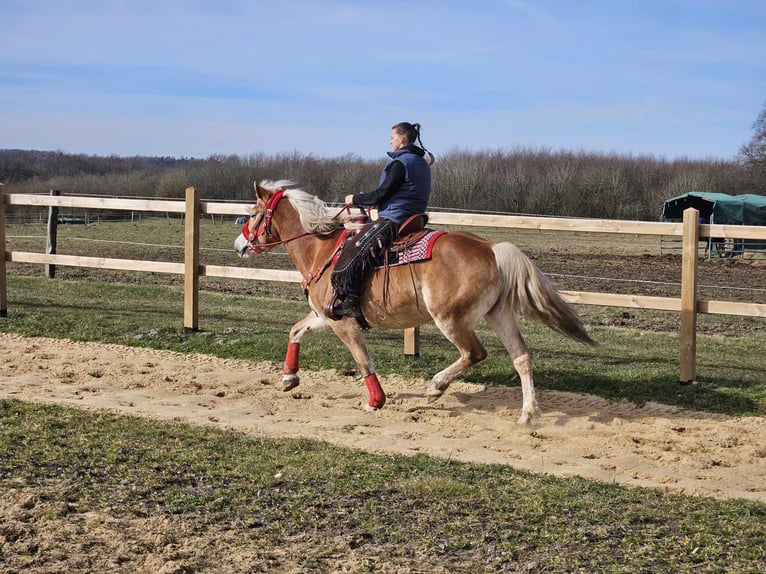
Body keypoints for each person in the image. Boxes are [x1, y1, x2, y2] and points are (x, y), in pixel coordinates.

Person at [331, 122, 435, 319]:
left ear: (402, 138)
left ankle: (351, 299)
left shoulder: (400, 163)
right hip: (414, 216)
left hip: (396, 217)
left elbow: (381, 194)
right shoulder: (421, 162)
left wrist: (355, 198)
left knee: (355, 246)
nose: (390, 140)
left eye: (392, 136)